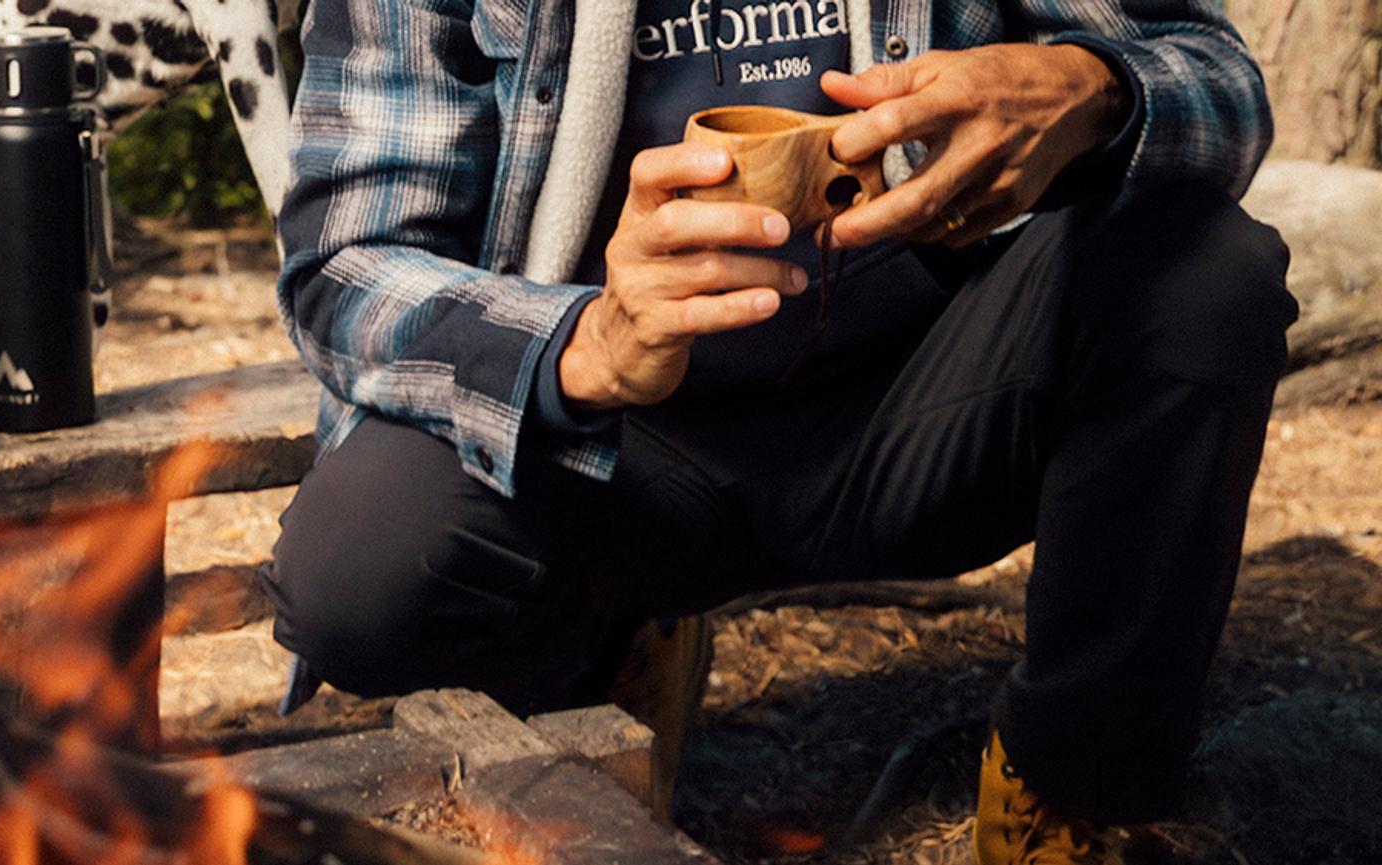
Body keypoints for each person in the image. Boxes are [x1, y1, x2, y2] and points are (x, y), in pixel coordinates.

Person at [261, 1, 1297, 862]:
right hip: (619, 436)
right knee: (361, 567)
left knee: (1208, 275)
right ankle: (592, 666)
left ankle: (1074, 787)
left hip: (928, 396)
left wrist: (1096, 90)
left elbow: (1222, 84)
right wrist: (584, 346)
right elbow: (344, 262)